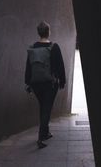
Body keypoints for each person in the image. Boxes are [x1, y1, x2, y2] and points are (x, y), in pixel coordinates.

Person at [25, 21, 66, 149]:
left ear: (38, 32)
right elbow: (60, 66)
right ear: (48, 32)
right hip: (50, 83)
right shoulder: (54, 47)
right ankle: (40, 138)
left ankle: (46, 132)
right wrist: (62, 81)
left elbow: (28, 67)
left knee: (43, 107)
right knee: (46, 109)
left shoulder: (32, 48)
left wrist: (27, 83)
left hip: (36, 84)